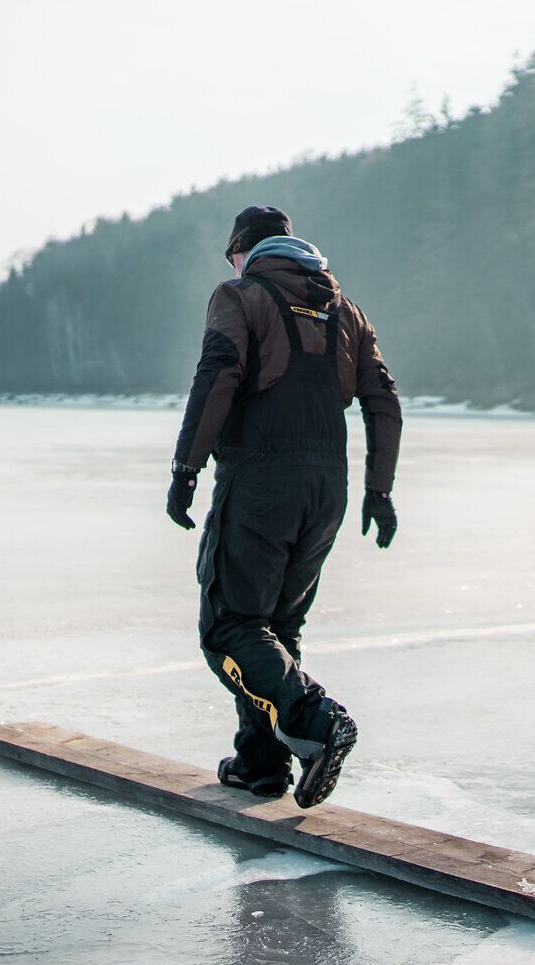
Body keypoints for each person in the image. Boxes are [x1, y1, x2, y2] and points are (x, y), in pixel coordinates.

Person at [167, 206, 401, 808]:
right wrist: (380, 489)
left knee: (229, 628)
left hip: (263, 481)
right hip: (328, 487)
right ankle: (261, 765)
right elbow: (383, 402)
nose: (232, 264)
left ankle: (318, 723)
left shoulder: (239, 297)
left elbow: (217, 375)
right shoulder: (345, 310)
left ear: (246, 249)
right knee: (274, 628)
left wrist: (185, 467)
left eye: (232, 254)